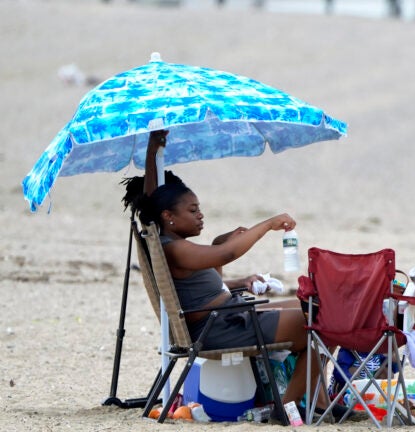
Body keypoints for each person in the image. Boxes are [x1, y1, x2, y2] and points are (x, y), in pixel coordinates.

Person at [122, 130, 340, 420]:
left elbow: (153, 201)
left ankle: (318, 403)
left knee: (315, 309)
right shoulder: (175, 249)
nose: (200, 215)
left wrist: (153, 151)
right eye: (193, 210)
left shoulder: (167, 240)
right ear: (168, 216)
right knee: (323, 324)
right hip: (221, 327)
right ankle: (284, 407)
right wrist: (268, 224)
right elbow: (227, 255)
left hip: (226, 316)